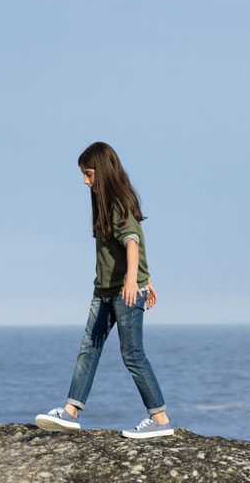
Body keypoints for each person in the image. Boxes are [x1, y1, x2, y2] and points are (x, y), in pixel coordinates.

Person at [34, 142, 176, 439]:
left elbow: (133, 242)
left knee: (133, 354)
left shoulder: (117, 203)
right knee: (90, 348)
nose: (85, 181)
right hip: (104, 291)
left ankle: (160, 419)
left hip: (124, 292)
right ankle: (70, 413)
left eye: (88, 174)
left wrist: (134, 281)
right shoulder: (103, 205)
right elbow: (127, 247)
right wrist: (147, 280)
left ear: (104, 171)